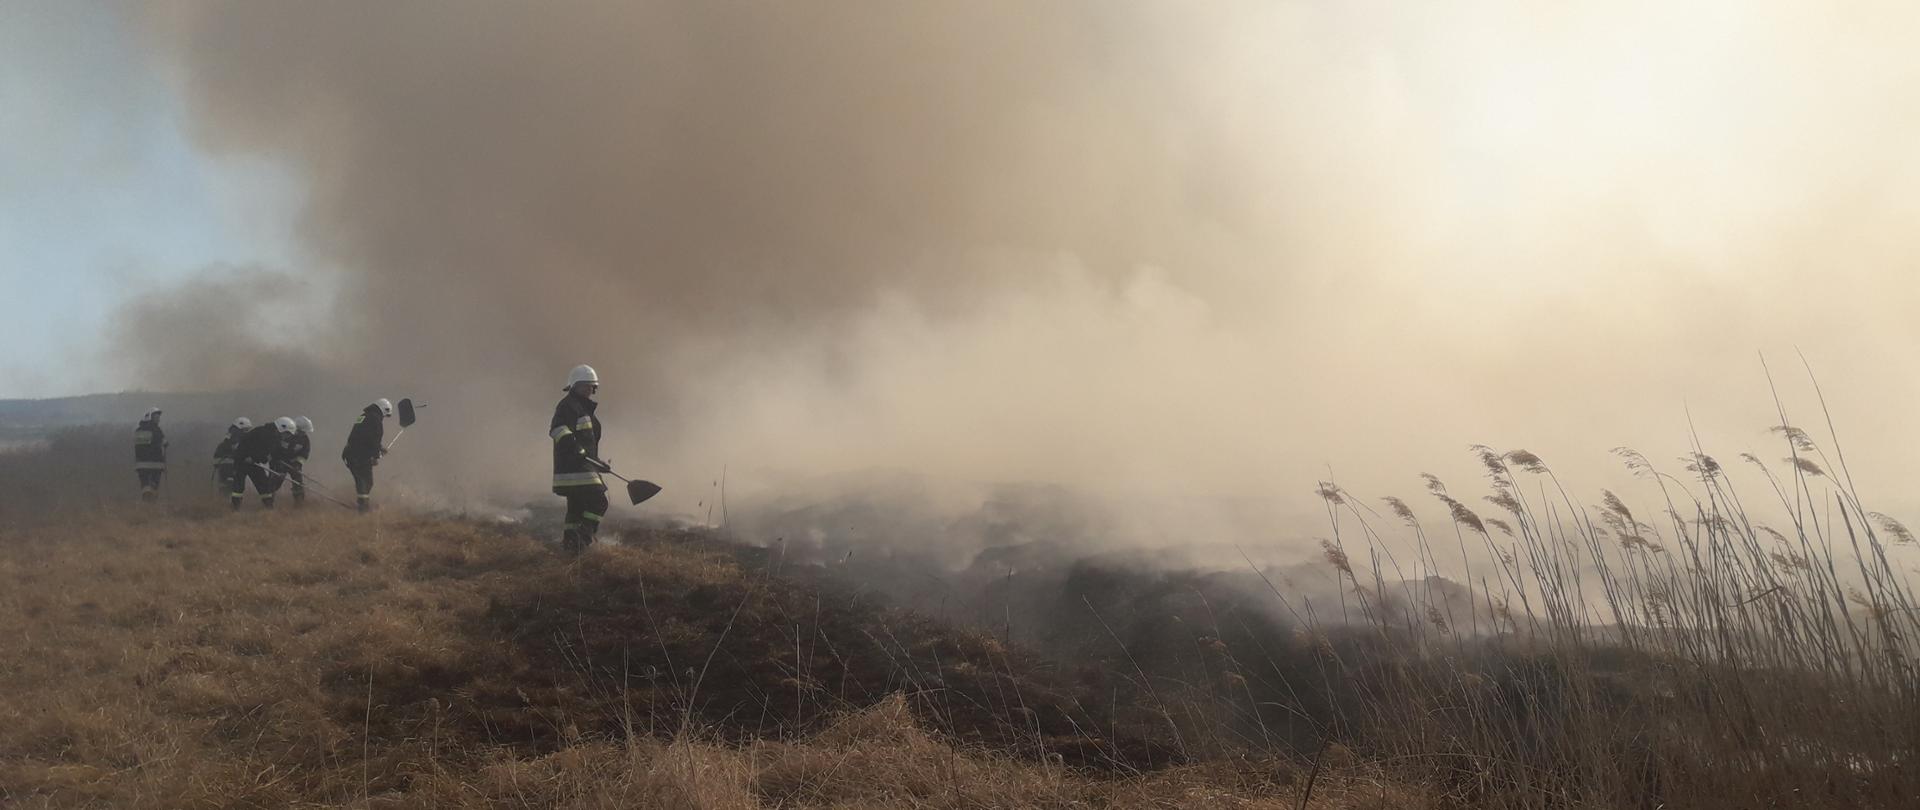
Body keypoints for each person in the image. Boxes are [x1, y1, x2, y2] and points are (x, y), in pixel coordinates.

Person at [551, 364, 609, 554]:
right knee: (599, 501)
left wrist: (598, 463)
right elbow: (558, 429)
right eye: (584, 386)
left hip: (577, 468)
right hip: (575, 469)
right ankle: (582, 539)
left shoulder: (583, 409)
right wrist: (575, 447)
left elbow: (587, 447)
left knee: (576, 509)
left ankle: (570, 547)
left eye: (591, 386)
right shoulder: (568, 405)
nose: (588, 390)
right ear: (573, 386)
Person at [231, 417, 295, 510]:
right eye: (287, 433)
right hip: (242, 461)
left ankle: (268, 508)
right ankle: (235, 508)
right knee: (238, 486)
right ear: (281, 428)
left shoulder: (274, 436)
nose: (287, 436)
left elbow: (277, 452)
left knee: (264, 485)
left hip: (253, 462)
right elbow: (258, 449)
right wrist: (255, 458)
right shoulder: (264, 433)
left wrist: (285, 464)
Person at [342, 399, 391, 514]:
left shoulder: (363, 416)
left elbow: (361, 436)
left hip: (350, 453)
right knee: (365, 481)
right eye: (386, 415)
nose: (384, 418)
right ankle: (363, 509)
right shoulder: (375, 420)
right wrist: (376, 454)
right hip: (359, 456)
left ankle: (362, 505)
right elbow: (373, 439)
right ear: (383, 410)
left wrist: (378, 449)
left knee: (363, 480)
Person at [133, 407, 167, 502]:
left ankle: (146, 502)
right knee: (154, 485)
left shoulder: (138, 431)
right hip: (155, 464)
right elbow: (164, 442)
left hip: (141, 465)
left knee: (145, 485)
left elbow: (137, 446)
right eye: (156, 417)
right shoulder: (156, 430)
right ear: (150, 417)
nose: (158, 419)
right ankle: (152, 504)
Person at [281, 415, 315, 507]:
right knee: (275, 481)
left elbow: (304, 454)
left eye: (304, 432)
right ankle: (269, 502)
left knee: (298, 482)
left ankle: (299, 503)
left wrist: (298, 464)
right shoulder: (285, 435)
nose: (303, 434)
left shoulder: (305, 440)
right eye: (302, 432)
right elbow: (275, 448)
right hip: (280, 463)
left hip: (294, 464)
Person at [214, 417, 250, 494]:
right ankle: (228, 500)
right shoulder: (236, 434)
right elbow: (235, 448)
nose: (247, 432)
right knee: (232, 482)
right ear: (240, 426)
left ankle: (223, 500)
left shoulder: (231, 433)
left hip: (222, 461)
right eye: (246, 429)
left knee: (225, 483)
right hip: (228, 462)